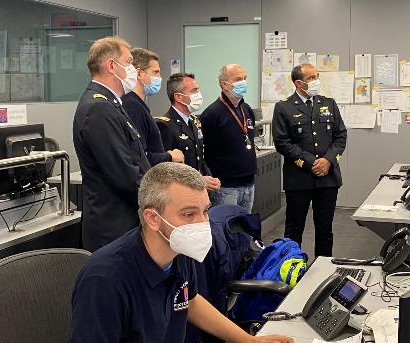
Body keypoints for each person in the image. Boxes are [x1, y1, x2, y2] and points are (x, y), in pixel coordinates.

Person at [69, 162, 293, 343]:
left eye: (205, 211)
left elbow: (190, 300)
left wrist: (247, 340)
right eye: (188, 214)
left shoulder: (178, 250)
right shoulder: (105, 279)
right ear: (153, 218)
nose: (203, 224)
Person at [72, 36, 150, 252]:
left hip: (124, 222)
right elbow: (123, 174)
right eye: (129, 62)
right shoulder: (99, 108)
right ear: (111, 66)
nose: (133, 69)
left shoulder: (111, 103)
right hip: (114, 228)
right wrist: (159, 202)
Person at [272, 63, 347, 257]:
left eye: (317, 76)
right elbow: (282, 142)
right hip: (299, 179)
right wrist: (310, 162)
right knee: (294, 230)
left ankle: (323, 269)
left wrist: (328, 161)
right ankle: (291, 269)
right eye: (311, 78)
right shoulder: (283, 107)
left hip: (327, 178)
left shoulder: (328, 103)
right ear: (298, 83)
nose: (316, 81)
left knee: (325, 229)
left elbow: (341, 136)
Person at [201, 64, 257, 212]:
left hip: (249, 182)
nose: (243, 82)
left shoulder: (246, 109)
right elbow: (204, 152)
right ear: (224, 85)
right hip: (226, 187)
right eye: (238, 79)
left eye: (245, 78)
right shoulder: (212, 114)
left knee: (245, 229)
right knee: (227, 230)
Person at [156, 73, 220, 192]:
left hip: (200, 190)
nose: (198, 94)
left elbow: (200, 158)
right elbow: (166, 170)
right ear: (178, 97)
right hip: (180, 192)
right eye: (194, 91)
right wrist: (199, 180)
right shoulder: (165, 125)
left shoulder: (194, 121)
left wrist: (210, 178)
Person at [122, 48, 184, 165]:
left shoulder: (138, 104)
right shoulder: (132, 106)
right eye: (155, 72)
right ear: (139, 73)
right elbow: (140, 156)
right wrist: (169, 156)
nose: (160, 77)